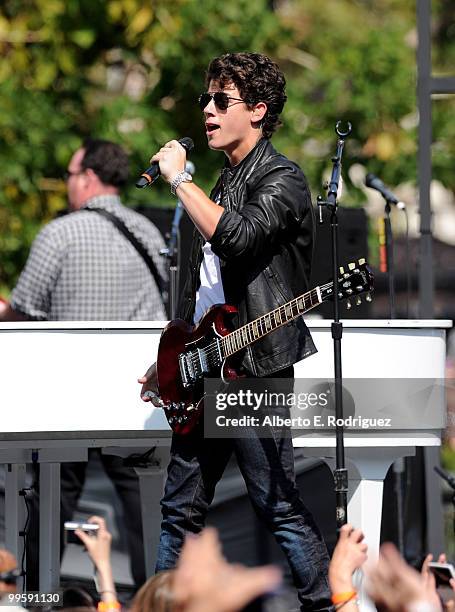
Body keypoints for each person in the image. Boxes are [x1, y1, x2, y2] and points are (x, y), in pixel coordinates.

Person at [139, 52, 332, 611]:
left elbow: (241, 240)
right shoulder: (221, 181)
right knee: (180, 508)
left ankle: (329, 604)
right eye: (207, 99)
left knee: (276, 501)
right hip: (205, 364)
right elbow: (207, 287)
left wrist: (179, 180)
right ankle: (161, 604)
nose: (207, 110)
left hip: (257, 364)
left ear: (258, 110)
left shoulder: (283, 179)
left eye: (221, 101)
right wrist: (175, 359)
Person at [0, 138, 168, 589]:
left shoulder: (59, 234)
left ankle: (39, 595)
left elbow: (22, 315)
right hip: (138, 395)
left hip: (67, 396)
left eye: (72, 175)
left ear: (89, 178)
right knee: (145, 505)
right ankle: (158, 597)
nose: (69, 184)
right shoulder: (150, 234)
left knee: (50, 499)